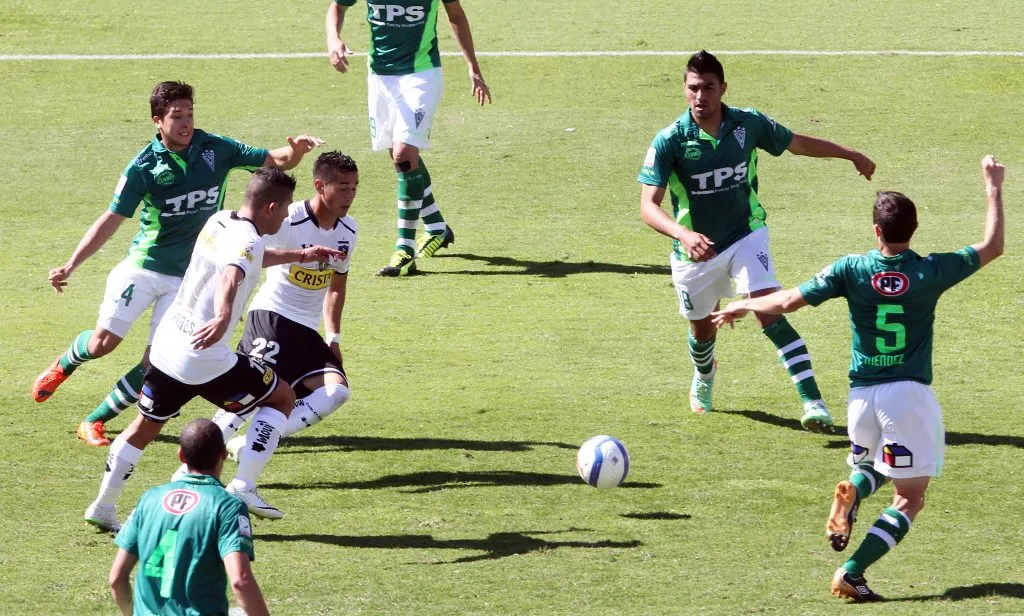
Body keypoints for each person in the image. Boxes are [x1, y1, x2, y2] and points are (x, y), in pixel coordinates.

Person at [711, 156, 1006, 601]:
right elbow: (993, 246)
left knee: (871, 467)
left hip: (860, 398)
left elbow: (788, 301)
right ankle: (852, 571)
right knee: (909, 498)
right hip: (907, 396)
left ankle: (854, 491)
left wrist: (742, 306)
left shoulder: (850, 268)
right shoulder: (931, 271)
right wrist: (993, 187)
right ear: (914, 228)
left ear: (876, 232)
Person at [32, 80, 323, 448]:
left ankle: (95, 420)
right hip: (144, 265)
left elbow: (276, 160)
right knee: (104, 342)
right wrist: (71, 265)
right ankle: (67, 363)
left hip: (186, 280)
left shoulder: (214, 148)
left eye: (189, 114)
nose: (186, 123)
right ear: (158, 121)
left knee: (157, 361)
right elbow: (111, 218)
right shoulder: (143, 167)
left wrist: (295, 151)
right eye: (176, 116)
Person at [85, 168, 342, 531]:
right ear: (271, 207)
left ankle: (103, 505)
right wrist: (223, 314)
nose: (286, 216)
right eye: (284, 210)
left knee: (143, 427)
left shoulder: (220, 220)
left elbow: (249, 258)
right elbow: (232, 273)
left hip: (167, 346)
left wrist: (300, 255)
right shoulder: (249, 242)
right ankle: (243, 486)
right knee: (281, 397)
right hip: (205, 354)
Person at [638, 50, 876, 431]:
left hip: (746, 233)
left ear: (723, 89)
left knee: (768, 310)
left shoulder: (747, 124)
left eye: (708, 88)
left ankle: (813, 402)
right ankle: (704, 375)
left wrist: (848, 154)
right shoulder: (670, 140)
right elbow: (648, 206)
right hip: (694, 252)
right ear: (685, 90)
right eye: (693, 88)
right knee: (702, 330)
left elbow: (795, 142)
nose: (701, 97)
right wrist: (683, 232)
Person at [179, 151, 358, 478]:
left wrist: (333, 337)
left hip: (307, 330)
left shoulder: (349, 230)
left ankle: (254, 441)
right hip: (272, 316)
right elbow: (251, 252)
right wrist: (300, 254)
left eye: (354, 188)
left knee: (336, 391)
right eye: (343, 187)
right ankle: (192, 468)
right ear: (320, 186)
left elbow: (336, 286)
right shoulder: (290, 219)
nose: (350, 195)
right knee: (244, 396)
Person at [326, 0, 491, 276]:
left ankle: (405, 250)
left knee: (404, 155)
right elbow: (337, 7)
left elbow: (456, 14)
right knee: (400, 157)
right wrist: (334, 39)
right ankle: (437, 227)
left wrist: (472, 66)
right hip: (380, 75)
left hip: (421, 74)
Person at [108, 418, 269, 616]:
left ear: (181, 456)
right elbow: (240, 580)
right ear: (224, 455)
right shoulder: (228, 506)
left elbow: (117, 578)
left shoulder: (149, 499)